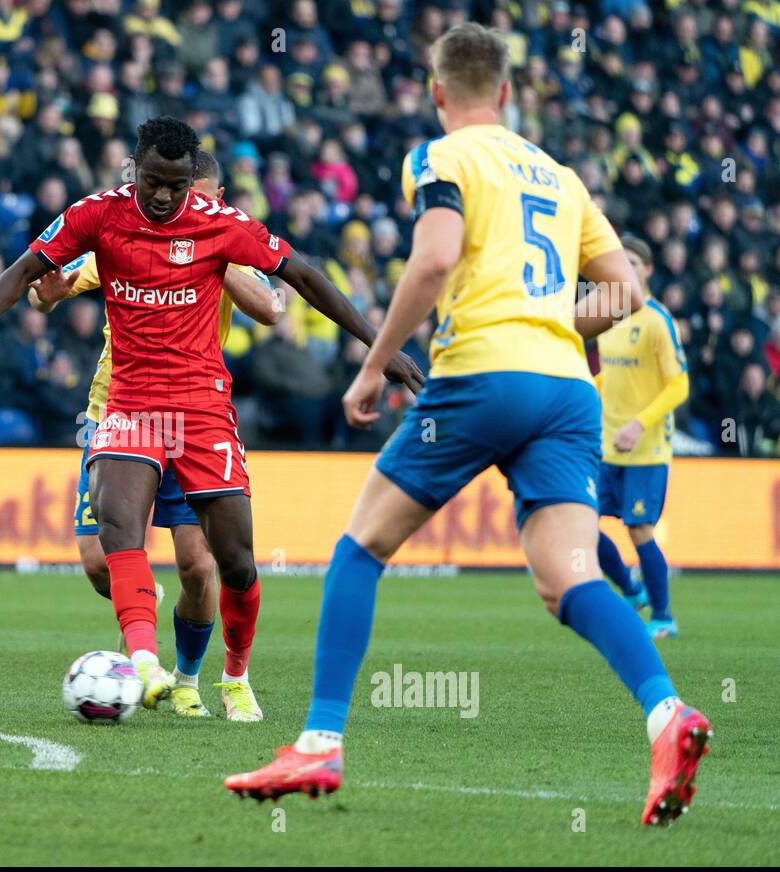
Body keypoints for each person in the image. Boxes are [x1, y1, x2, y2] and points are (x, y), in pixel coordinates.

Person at [224, 24, 710, 828]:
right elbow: (625, 290)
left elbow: (435, 258)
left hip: (483, 374)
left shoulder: (440, 157)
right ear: (511, 94)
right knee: (570, 577)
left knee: (363, 544)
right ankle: (667, 715)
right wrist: (553, 323)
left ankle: (318, 740)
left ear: (437, 90)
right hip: (566, 392)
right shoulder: (558, 173)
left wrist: (376, 363)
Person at [0, 117, 422, 710]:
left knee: (234, 563)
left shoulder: (220, 226)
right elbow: (27, 270)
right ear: (135, 170)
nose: (164, 196)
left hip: (202, 411)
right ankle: (144, 663)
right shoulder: (98, 214)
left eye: (176, 184)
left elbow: (300, 276)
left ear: (191, 181)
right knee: (117, 531)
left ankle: (235, 676)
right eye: (153, 182)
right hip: (129, 406)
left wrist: (378, 349)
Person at [27, 151, 281, 720]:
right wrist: (47, 293)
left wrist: (216, 258)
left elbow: (271, 309)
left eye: (205, 200)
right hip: (118, 410)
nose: (192, 209)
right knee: (99, 559)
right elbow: (55, 288)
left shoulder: (226, 237)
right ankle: (141, 606)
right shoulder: (131, 235)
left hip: (192, 414)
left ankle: (196, 680)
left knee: (199, 564)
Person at [594, 237, 690, 639]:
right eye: (620, 262)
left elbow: (679, 385)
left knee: (639, 530)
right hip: (606, 444)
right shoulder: (607, 315)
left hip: (647, 447)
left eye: (633, 262)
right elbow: (608, 378)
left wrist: (639, 422)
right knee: (580, 522)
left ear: (648, 270)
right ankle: (633, 592)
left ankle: (664, 616)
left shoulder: (656, 320)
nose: (626, 269)